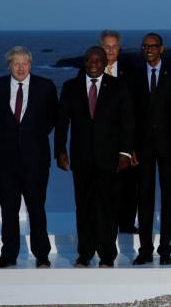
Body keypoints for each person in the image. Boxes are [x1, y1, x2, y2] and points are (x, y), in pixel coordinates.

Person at [55, 46, 134, 268]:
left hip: (111, 159)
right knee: (84, 207)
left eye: (97, 60)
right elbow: (62, 122)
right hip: (82, 159)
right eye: (89, 59)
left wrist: (125, 152)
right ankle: (85, 254)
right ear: (84, 61)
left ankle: (107, 255)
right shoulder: (71, 87)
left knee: (108, 208)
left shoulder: (119, 86)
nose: (92, 63)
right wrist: (60, 150)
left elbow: (127, 122)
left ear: (104, 62)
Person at [0, 46, 58, 269]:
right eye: (16, 63)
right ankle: (9, 254)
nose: (21, 67)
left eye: (25, 62)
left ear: (31, 65)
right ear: (9, 66)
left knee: (36, 208)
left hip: (36, 159)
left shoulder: (46, 87)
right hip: (5, 161)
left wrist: (30, 137)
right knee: (8, 209)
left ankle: (41, 255)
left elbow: (52, 118)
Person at [130, 33, 171, 266]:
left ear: (162, 49)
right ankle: (145, 250)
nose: (149, 49)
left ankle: (165, 249)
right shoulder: (133, 75)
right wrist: (129, 147)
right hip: (142, 147)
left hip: (169, 146)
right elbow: (129, 115)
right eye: (145, 46)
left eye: (153, 46)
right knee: (144, 199)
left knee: (169, 198)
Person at [100, 30, 140, 235]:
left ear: (120, 49)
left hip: (126, 138)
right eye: (107, 46)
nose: (110, 51)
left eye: (114, 46)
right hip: (100, 140)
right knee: (103, 185)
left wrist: (131, 144)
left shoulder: (132, 72)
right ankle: (107, 222)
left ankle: (126, 223)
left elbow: (137, 108)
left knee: (129, 184)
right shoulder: (87, 71)